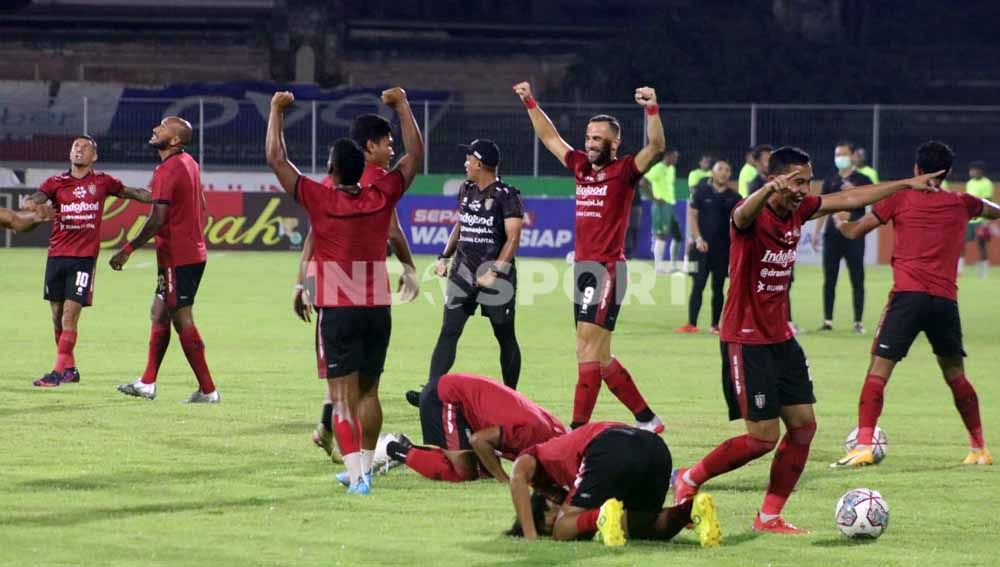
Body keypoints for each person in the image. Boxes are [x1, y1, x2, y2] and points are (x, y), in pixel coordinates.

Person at [672, 146, 943, 534]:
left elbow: (849, 198)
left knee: (803, 427)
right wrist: (767, 191)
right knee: (762, 439)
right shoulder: (750, 217)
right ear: (775, 181)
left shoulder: (799, 209)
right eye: (797, 181)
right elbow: (742, 212)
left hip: (781, 338)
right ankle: (689, 478)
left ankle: (769, 516)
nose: (804, 189)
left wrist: (907, 184)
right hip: (745, 339)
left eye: (807, 181)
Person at [266, 87, 422, 494]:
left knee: (340, 397)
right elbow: (414, 156)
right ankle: (364, 467)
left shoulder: (321, 199)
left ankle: (357, 478)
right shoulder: (381, 194)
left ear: (332, 169)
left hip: (337, 306)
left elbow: (277, 159)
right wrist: (403, 106)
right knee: (369, 390)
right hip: (377, 307)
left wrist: (276, 111)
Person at [831, 141, 1000, 468]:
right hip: (945, 302)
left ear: (916, 170)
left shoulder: (899, 198)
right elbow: (992, 209)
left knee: (878, 372)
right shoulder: (963, 202)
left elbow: (854, 232)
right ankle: (979, 447)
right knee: (955, 374)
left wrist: (839, 221)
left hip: (908, 297)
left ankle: (864, 444)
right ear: (949, 173)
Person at [513, 81, 665, 433]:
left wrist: (652, 109)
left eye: (598, 139)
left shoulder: (625, 171)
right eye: (588, 137)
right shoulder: (580, 166)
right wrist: (530, 102)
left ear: (615, 143)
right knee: (601, 356)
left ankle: (577, 429)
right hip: (584, 269)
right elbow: (550, 138)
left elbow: (656, 145)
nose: (590, 143)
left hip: (608, 269)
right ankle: (648, 419)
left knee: (585, 350)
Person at [300, 113, 420, 469]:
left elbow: (312, 235)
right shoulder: (379, 183)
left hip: (329, 291)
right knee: (361, 389)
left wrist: (302, 282)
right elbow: (395, 233)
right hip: (365, 296)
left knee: (339, 374)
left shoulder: (329, 181)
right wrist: (409, 267)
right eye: (387, 143)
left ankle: (332, 434)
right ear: (370, 146)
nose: (390, 148)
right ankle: (359, 467)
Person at [21, 137, 152, 388]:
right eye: (74, 147)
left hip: (83, 258)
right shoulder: (56, 183)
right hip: (57, 255)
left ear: (94, 156)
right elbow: (36, 197)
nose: (78, 150)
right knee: (57, 316)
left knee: (70, 315)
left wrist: (162, 198)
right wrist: (31, 203)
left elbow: (133, 193)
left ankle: (57, 373)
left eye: (85, 147)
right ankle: (69, 369)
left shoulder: (102, 182)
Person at [403, 140, 524, 408]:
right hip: (463, 274)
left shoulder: (507, 195)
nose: (466, 164)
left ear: (480, 164)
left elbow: (513, 238)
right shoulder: (466, 190)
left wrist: (495, 270)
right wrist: (444, 256)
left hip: (497, 279)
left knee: (504, 336)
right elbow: (461, 224)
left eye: (469, 159)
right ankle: (431, 393)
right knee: (449, 331)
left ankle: (512, 397)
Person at [111, 119, 217, 403]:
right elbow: (202, 204)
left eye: (163, 127)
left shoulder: (167, 169)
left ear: (174, 141)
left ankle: (208, 391)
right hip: (183, 254)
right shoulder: (189, 163)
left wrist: (128, 249)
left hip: (179, 258)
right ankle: (147, 382)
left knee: (182, 320)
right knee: (159, 313)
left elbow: (157, 219)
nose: (156, 128)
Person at [507, 422, 722, 547]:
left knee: (562, 531)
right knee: (640, 527)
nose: (554, 520)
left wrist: (530, 534)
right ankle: (690, 510)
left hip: (610, 445)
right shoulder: (572, 477)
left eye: (547, 522)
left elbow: (517, 476)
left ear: (547, 500)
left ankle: (600, 515)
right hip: (655, 447)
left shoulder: (538, 457)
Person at [387, 373, 565, 483]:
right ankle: (393, 448)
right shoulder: (528, 433)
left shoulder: (555, 431)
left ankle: (409, 447)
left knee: (482, 471)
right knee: (464, 472)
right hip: (445, 398)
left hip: (464, 403)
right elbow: (479, 440)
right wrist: (504, 480)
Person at [813, 141, 872, 333]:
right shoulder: (830, 179)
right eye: (837, 154)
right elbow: (821, 208)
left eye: (843, 154)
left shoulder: (863, 179)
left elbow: (873, 207)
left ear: (853, 155)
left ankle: (858, 322)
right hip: (832, 236)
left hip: (854, 235)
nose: (840, 158)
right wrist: (816, 233)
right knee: (829, 279)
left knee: (857, 279)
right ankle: (827, 321)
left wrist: (855, 216)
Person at [675, 160, 739, 335]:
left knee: (718, 287)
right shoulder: (700, 191)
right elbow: (693, 216)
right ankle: (691, 323)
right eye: (720, 169)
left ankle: (715, 325)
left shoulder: (735, 197)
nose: (724, 173)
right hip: (701, 249)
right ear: (713, 172)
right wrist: (698, 238)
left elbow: (739, 222)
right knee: (698, 285)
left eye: (727, 170)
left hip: (723, 249)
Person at [640, 148, 683, 273]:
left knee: (678, 236)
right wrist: (654, 198)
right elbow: (643, 182)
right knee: (661, 236)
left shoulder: (671, 169)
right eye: (675, 156)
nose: (676, 159)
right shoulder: (658, 168)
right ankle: (658, 267)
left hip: (670, 205)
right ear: (668, 156)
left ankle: (673, 265)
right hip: (661, 207)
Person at [962, 160, 993, 277]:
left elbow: (987, 202)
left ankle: (983, 271)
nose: (971, 172)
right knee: (961, 242)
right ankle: (960, 269)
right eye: (971, 170)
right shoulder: (969, 183)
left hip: (981, 218)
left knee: (981, 244)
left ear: (981, 171)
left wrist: (986, 221)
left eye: (974, 170)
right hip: (969, 218)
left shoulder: (987, 183)